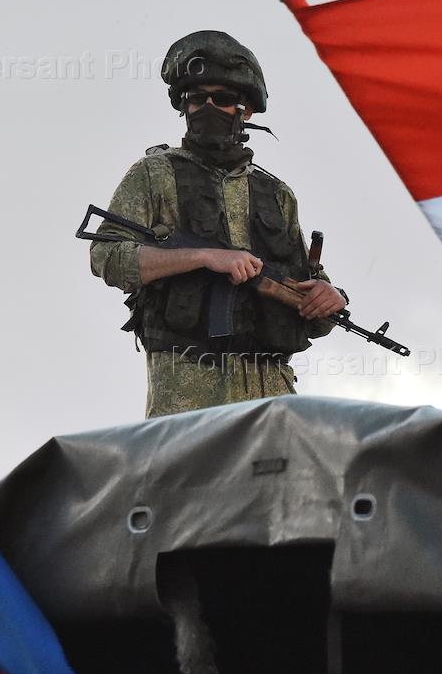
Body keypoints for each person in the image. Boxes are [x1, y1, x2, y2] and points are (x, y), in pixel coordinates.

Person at [89, 30, 347, 417]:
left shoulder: (276, 195)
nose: (208, 107)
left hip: (271, 392)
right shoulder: (155, 174)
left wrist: (328, 296)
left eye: (223, 99)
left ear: (247, 110)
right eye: (197, 98)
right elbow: (107, 257)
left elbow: (310, 304)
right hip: (189, 391)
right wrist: (204, 257)